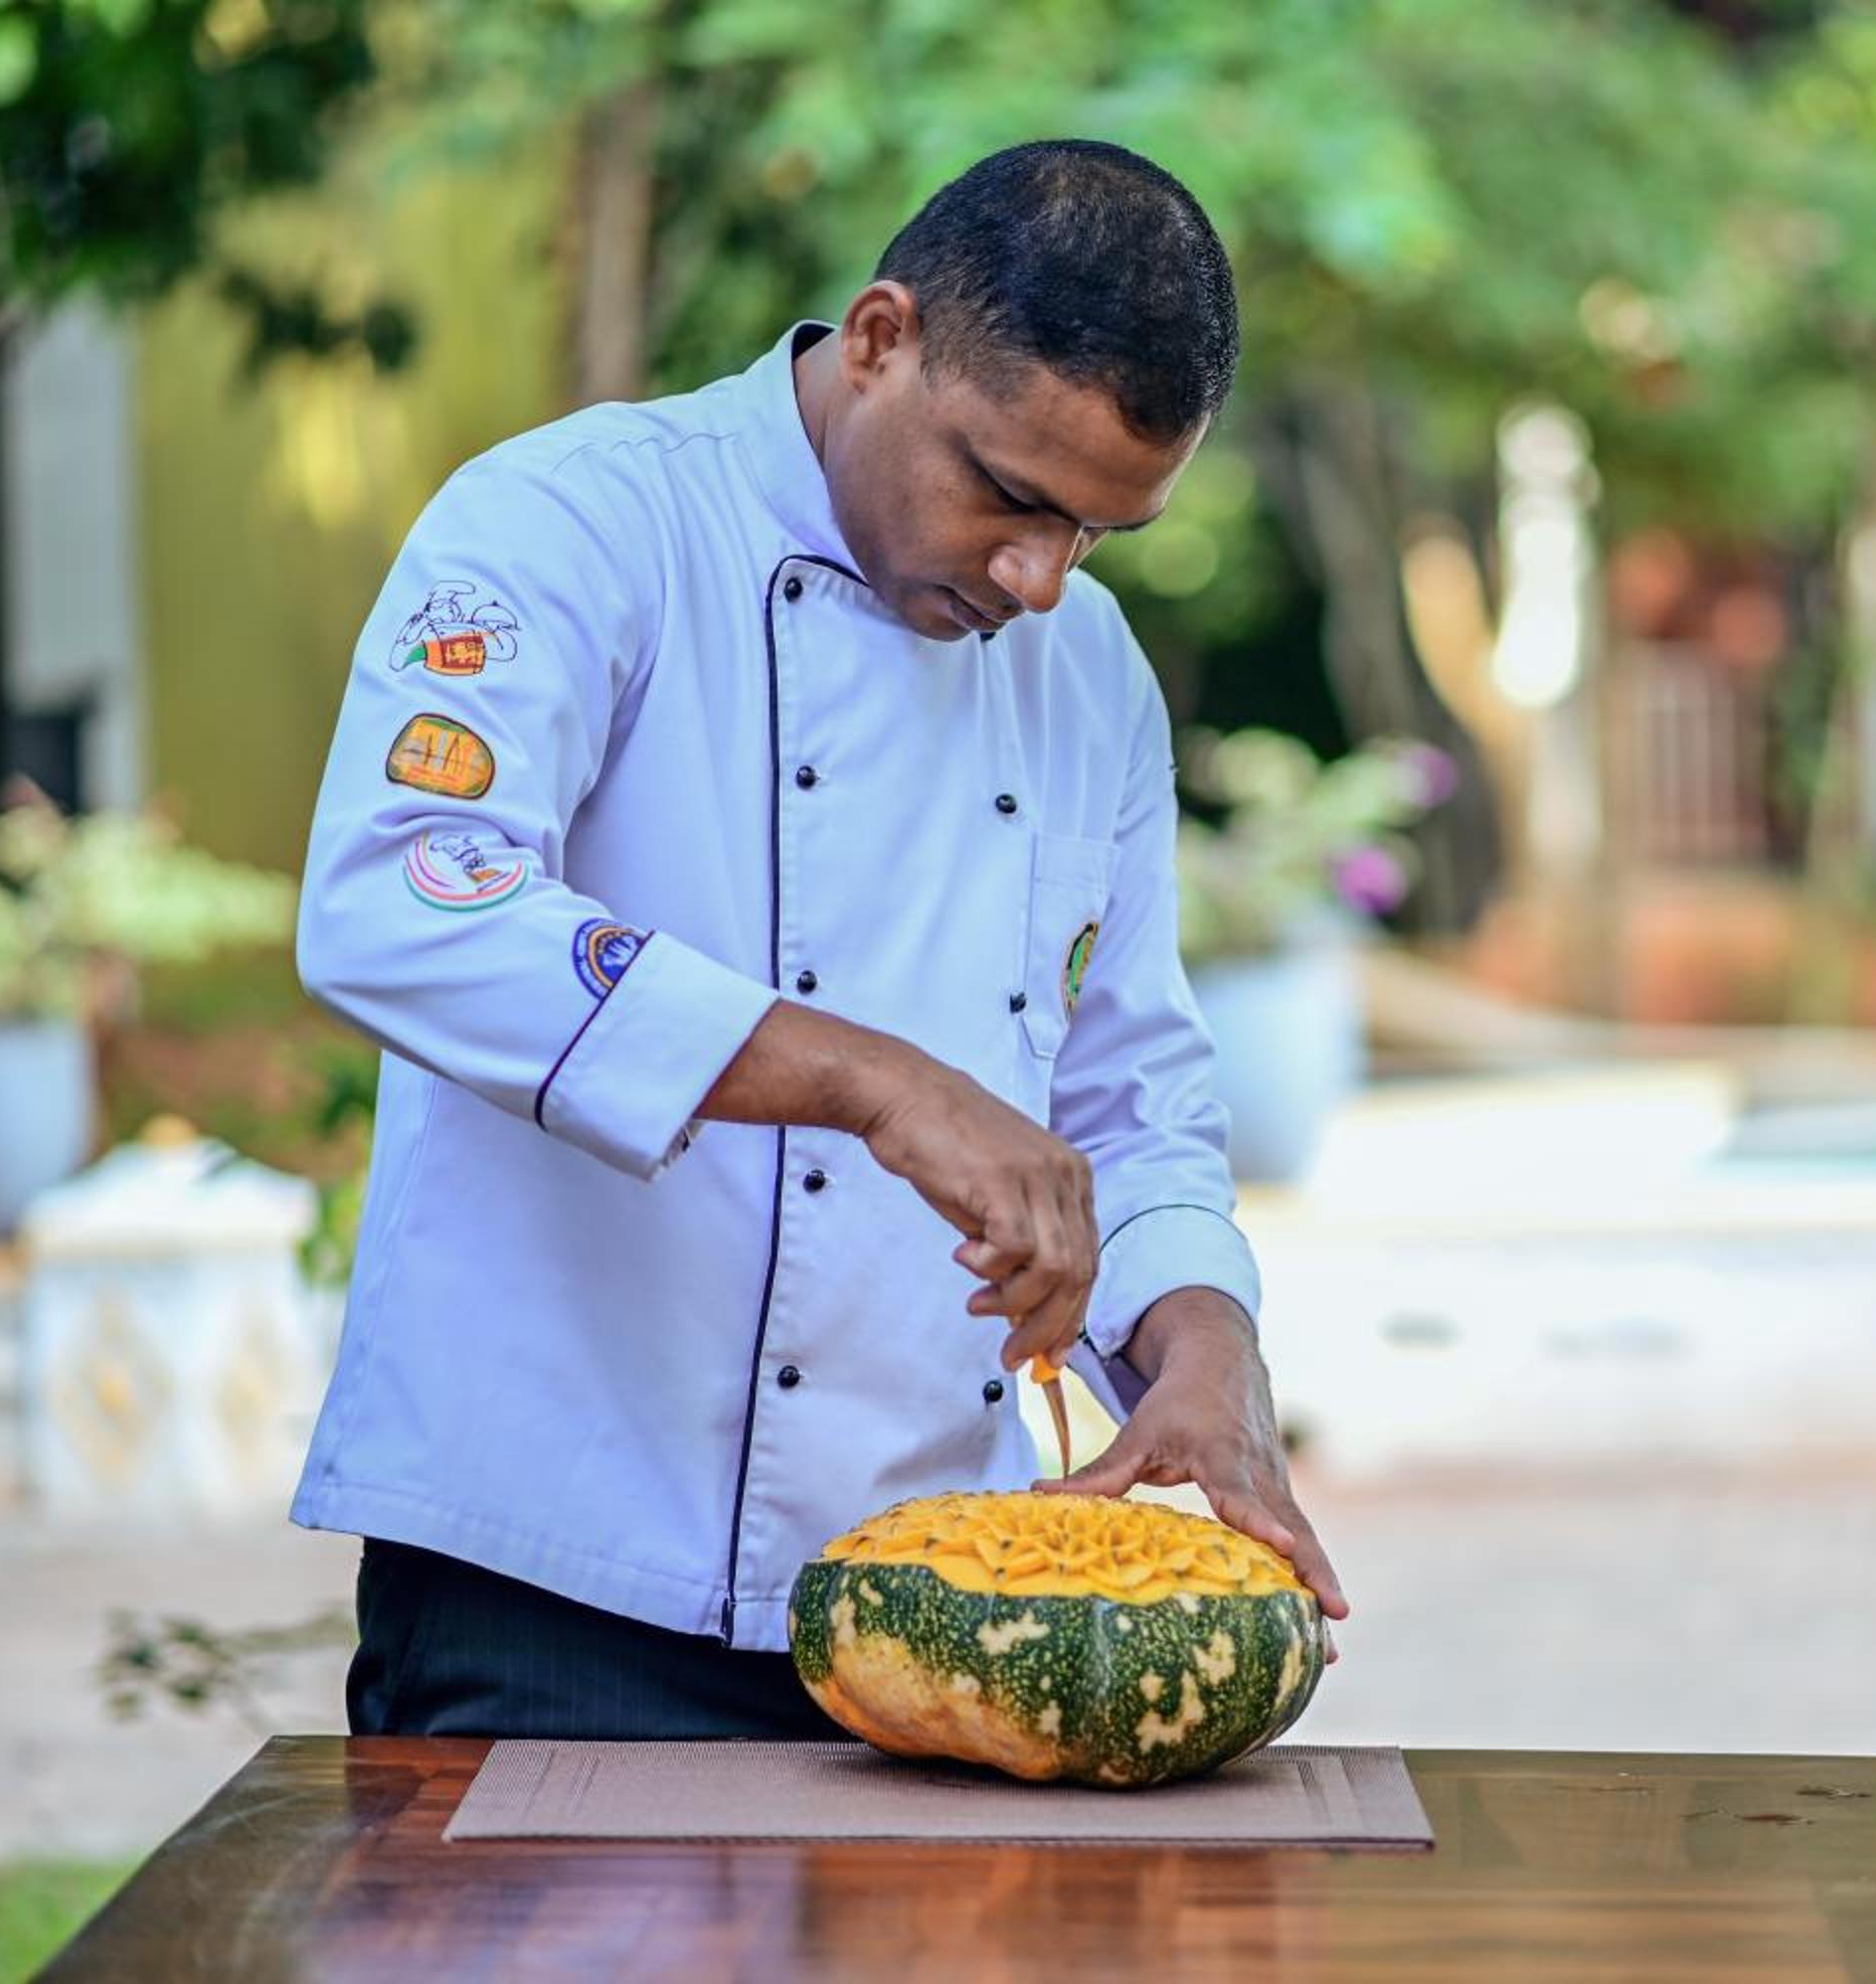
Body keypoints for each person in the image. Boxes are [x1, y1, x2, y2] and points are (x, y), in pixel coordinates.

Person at [288, 138, 1348, 1738]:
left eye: (1097, 535)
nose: (1040, 578)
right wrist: (879, 1081)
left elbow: (1128, 1101)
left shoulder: (1091, 673)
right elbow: (404, 901)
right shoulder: (575, 522)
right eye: (1012, 494)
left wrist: (1203, 1340)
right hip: (553, 1569)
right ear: (879, 338)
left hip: (945, 1591)